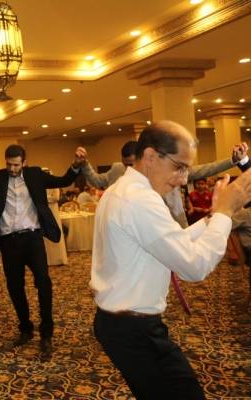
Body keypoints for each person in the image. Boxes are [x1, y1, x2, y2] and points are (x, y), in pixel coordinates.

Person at [91, 121, 251, 399]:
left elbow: (170, 243)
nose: (183, 178)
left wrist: (213, 217)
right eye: (179, 167)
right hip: (134, 330)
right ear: (151, 157)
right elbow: (194, 266)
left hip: (123, 324)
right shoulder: (139, 200)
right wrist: (225, 213)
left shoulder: (123, 190)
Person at [0, 144, 87, 360]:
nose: (12, 169)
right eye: (9, 164)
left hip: (33, 239)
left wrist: (76, 165)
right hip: (8, 241)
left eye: (16, 165)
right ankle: (25, 328)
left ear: (24, 162)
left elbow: (63, 181)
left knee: (44, 283)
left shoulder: (35, 174)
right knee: (15, 287)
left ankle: (46, 333)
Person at [82, 140, 249, 227]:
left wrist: (233, 160)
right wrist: (84, 164)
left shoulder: (164, 168)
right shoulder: (117, 169)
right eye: (126, 164)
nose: (130, 169)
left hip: (170, 224)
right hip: (134, 226)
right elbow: (96, 180)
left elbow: (203, 170)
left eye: (133, 163)